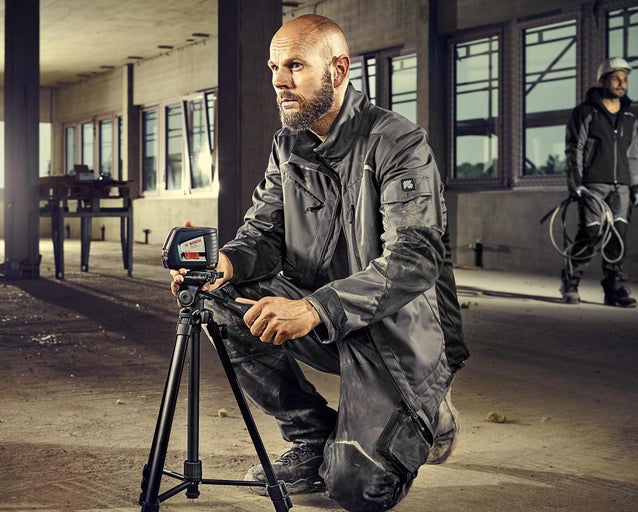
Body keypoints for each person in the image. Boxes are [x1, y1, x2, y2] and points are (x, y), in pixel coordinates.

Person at [170, 14, 468, 512]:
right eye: (273, 68)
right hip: (327, 317)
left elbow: (416, 258)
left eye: (295, 66)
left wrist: (313, 309)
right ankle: (312, 436)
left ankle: (431, 415)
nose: (279, 82)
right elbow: (262, 233)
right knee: (217, 297)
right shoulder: (288, 145)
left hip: (398, 332)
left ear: (339, 69)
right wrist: (224, 262)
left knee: (356, 489)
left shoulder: (398, 142)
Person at [560, 57, 638, 307]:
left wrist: (636, 186)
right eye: (616, 78)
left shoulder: (630, 117)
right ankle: (570, 282)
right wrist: (576, 184)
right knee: (592, 233)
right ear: (603, 81)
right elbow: (575, 148)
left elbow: (634, 153)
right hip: (593, 185)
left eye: (625, 79)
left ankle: (614, 289)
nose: (621, 84)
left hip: (623, 187)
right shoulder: (585, 112)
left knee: (618, 237)